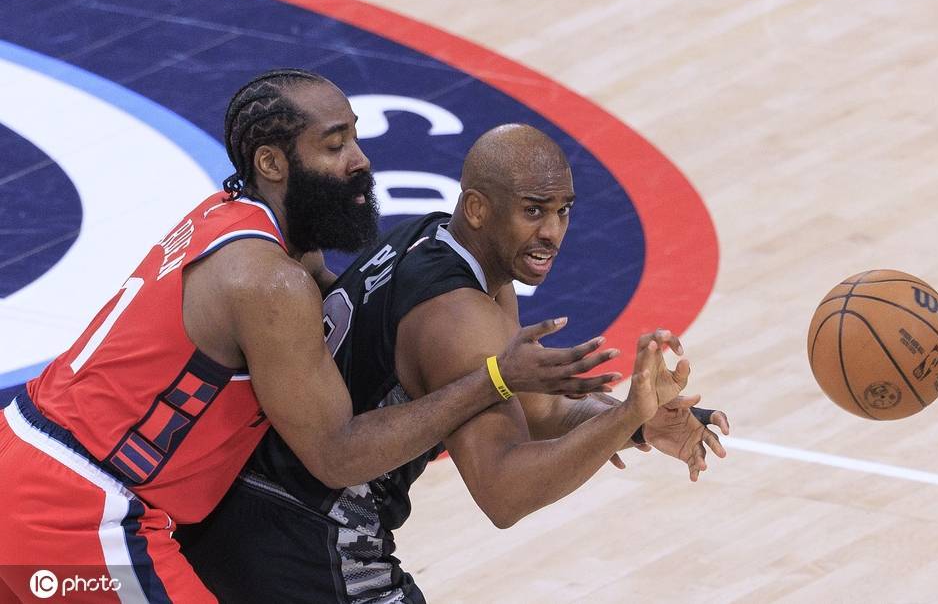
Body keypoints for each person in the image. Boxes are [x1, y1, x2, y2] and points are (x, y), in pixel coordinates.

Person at [0, 72, 621, 603]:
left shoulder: (237, 225)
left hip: (24, 447)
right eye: (334, 145)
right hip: (80, 509)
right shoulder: (268, 282)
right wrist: (492, 381)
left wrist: (623, 418)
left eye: (355, 137)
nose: (360, 160)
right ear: (272, 163)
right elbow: (339, 456)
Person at [178, 123, 730, 603]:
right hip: (307, 538)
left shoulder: (435, 240)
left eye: (562, 211)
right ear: (478, 208)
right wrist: (623, 414)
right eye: (533, 211)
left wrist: (636, 421)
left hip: (240, 513)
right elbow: (504, 494)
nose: (552, 232)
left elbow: (535, 409)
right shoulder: (459, 317)